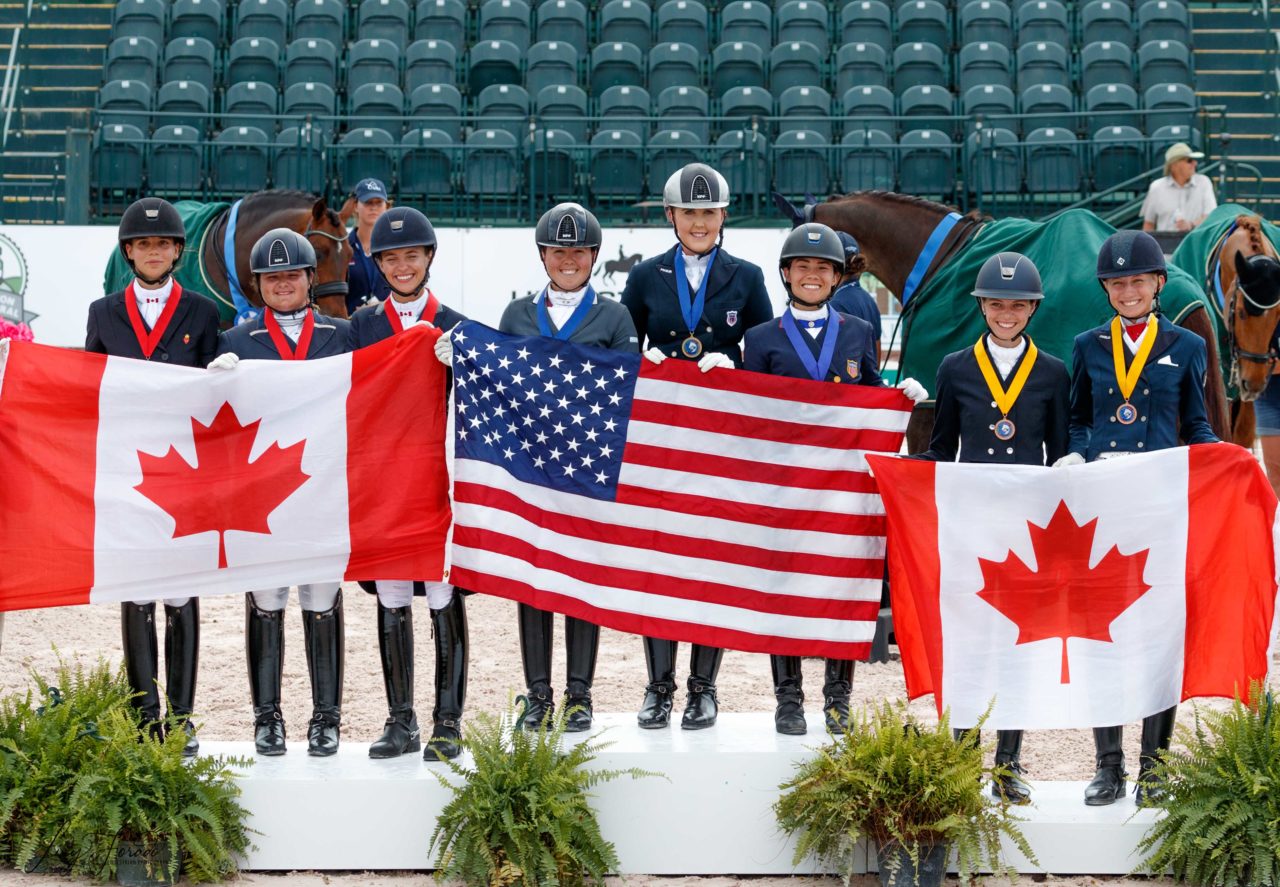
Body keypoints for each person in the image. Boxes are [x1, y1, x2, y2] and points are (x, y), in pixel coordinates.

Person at [743, 223, 928, 737]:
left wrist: (897, 397)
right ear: (786, 274)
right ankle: (787, 697)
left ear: (837, 277)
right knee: (784, 588)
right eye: (802, 266)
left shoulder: (857, 332)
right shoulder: (759, 340)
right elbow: (752, 417)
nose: (812, 275)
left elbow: (868, 396)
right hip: (784, 488)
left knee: (842, 588)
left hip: (841, 491)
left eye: (822, 268)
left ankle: (837, 697)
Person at [1054, 229, 1219, 806]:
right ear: (1107, 288)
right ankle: (1107, 766)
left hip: (1156, 501)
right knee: (1104, 632)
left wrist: (1215, 457)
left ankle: (1153, 769)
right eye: (1117, 282)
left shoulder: (1188, 346)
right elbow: (1078, 416)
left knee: (1156, 635)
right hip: (1103, 502)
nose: (1128, 290)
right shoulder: (1087, 345)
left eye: (1138, 280)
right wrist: (1076, 450)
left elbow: (1196, 424)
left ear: (1157, 284)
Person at [914, 251, 1069, 804]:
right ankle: (961, 758)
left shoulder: (1052, 372)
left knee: (1018, 643)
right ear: (982, 306)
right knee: (972, 640)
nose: (1007, 313)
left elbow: (1059, 453)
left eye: (1018, 305)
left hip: (1026, 531)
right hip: (973, 525)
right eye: (997, 304)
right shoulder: (955, 367)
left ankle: (1008, 762)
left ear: (1032, 309)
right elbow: (940, 448)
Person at [621, 162, 772, 731]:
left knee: (710, 559)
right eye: (690, 212)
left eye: (709, 213)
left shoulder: (749, 277)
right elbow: (622, 349)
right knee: (659, 560)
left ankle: (703, 688)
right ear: (672, 216)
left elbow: (763, 357)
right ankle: (658, 685)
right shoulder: (643, 276)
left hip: (719, 441)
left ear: (723, 216)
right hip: (663, 440)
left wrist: (731, 363)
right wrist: (644, 365)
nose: (700, 222)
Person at [210, 228, 354, 757]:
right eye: (272, 277)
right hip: (264, 493)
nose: (283, 284)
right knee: (267, 599)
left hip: (322, 488)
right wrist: (215, 382)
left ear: (310, 279)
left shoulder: (341, 335)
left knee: (322, 599)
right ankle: (266, 718)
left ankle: (326, 717)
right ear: (258, 286)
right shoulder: (236, 343)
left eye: (292, 274)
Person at [85, 197, 220, 757]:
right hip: (127, 473)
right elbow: (85, 389)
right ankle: (144, 718)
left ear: (177, 251)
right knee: (136, 595)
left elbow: (219, 405)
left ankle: (182, 719)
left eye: (163, 243)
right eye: (143, 245)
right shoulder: (103, 313)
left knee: (181, 594)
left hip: (184, 473)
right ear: (129, 253)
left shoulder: (204, 315)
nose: (153, 251)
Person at [497, 201, 639, 733]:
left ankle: (580, 693)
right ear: (543, 255)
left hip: (585, 469)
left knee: (581, 577)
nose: (569, 260)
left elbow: (624, 389)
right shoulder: (515, 315)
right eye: (559, 251)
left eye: (578, 251)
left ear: (594, 256)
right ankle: (538, 693)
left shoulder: (615, 317)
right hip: (531, 468)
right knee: (534, 579)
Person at [348, 206, 469, 760]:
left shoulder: (458, 326)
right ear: (379, 265)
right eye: (391, 258)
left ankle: (449, 721)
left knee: (443, 595)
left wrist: (463, 368)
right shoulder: (362, 326)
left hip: (436, 483)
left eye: (411, 256)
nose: (401, 266)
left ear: (428, 259)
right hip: (384, 483)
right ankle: (402, 719)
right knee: (393, 595)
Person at [828, 231, 882, 363]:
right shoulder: (868, 300)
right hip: (867, 381)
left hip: (849, 383)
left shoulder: (835, 304)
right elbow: (877, 349)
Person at [1141, 143, 1217, 233]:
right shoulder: (1156, 187)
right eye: (1189, 160)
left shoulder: (1204, 182)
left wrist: (1191, 224)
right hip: (1165, 244)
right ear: (1174, 165)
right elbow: (1149, 224)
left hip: (1197, 244)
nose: (1195, 163)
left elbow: (1211, 216)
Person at [344, 177, 391, 315]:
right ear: (355, 206)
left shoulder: (397, 247)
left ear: (386, 206)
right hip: (350, 327)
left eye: (378, 202)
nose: (373, 207)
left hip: (390, 327)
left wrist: (384, 305)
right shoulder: (343, 249)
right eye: (368, 202)